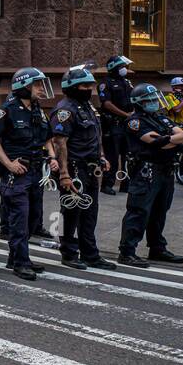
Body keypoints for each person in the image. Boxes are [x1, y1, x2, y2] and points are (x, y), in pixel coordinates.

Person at [0, 68, 59, 281]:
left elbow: (48, 136)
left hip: (36, 171)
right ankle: (21, 262)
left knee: (34, 218)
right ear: (24, 86)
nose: (41, 89)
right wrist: (8, 164)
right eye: (37, 85)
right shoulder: (8, 110)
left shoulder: (38, 110)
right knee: (20, 218)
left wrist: (53, 157)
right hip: (17, 174)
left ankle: (15, 256)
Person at [49, 64, 116, 270]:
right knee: (70, 212)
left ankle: (90, 253)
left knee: (90, 213)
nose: (89, 89)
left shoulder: (88, 107)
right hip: (74, 169)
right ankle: (68, 253)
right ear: (72, 87)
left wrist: (102, 156)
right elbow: (60, 143)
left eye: (90, 85)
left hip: (90, 168)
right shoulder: (64, 110)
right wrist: (64, 174)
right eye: (84, 85)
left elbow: (96, 134)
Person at [118, 84, 183, 267]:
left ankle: (157, 248)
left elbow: (182, 136)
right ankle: (127, 251)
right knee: (139, 211)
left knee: (160, 211)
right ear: (140, 103)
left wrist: (168, 140)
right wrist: (171, 141)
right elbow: (156, 142)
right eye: (150, 100)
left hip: (166, 170)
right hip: (146, 171)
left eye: (155, 98)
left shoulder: (160, 118)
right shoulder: (135, 121)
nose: (155, 102)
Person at [98, 54, 135, 195]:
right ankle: (107, 185)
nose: (124, 69)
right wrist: (125, 115)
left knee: (128, 155)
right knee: (112, 156)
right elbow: (107, 104)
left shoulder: (127, 82)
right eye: (122, 67)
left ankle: (126, 184)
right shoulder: (105, 83)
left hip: (127, 125)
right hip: (112, 124)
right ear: (114, 68)